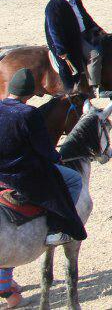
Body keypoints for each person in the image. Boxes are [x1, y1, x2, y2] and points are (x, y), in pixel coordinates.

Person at [0, 68, 87, 248]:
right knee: (74, 180)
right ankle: (58, 229)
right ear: (30, 94)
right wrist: (57, 158)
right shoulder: (29, 114)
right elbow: (44, 149)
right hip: (21, 176)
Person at [43, 0, 109, 97]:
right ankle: (95, 88)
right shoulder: (54, 6)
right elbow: (53, 30)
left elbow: (84, 16)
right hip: (70, 39)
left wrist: (98, 29)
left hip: (84, 33)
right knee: (94, 55)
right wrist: (60, 49)